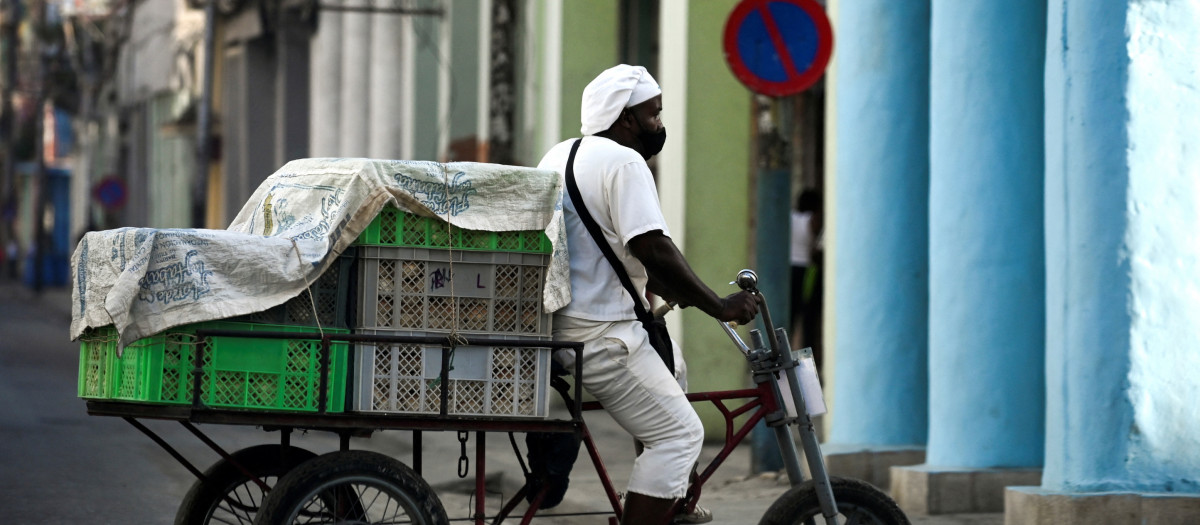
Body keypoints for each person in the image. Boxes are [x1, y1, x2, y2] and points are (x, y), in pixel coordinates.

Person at [538, 64, 760, 525]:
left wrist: (663, 287)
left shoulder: (558, 156)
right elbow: (652, 248)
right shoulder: (624, 162)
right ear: (626, 119)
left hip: (568, 328)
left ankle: (674, 502)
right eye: (653, 113)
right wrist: (721, 306)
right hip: (602, 336)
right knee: (680, 436)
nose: (659, 123)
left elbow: (604, 252)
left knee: (672, 363)